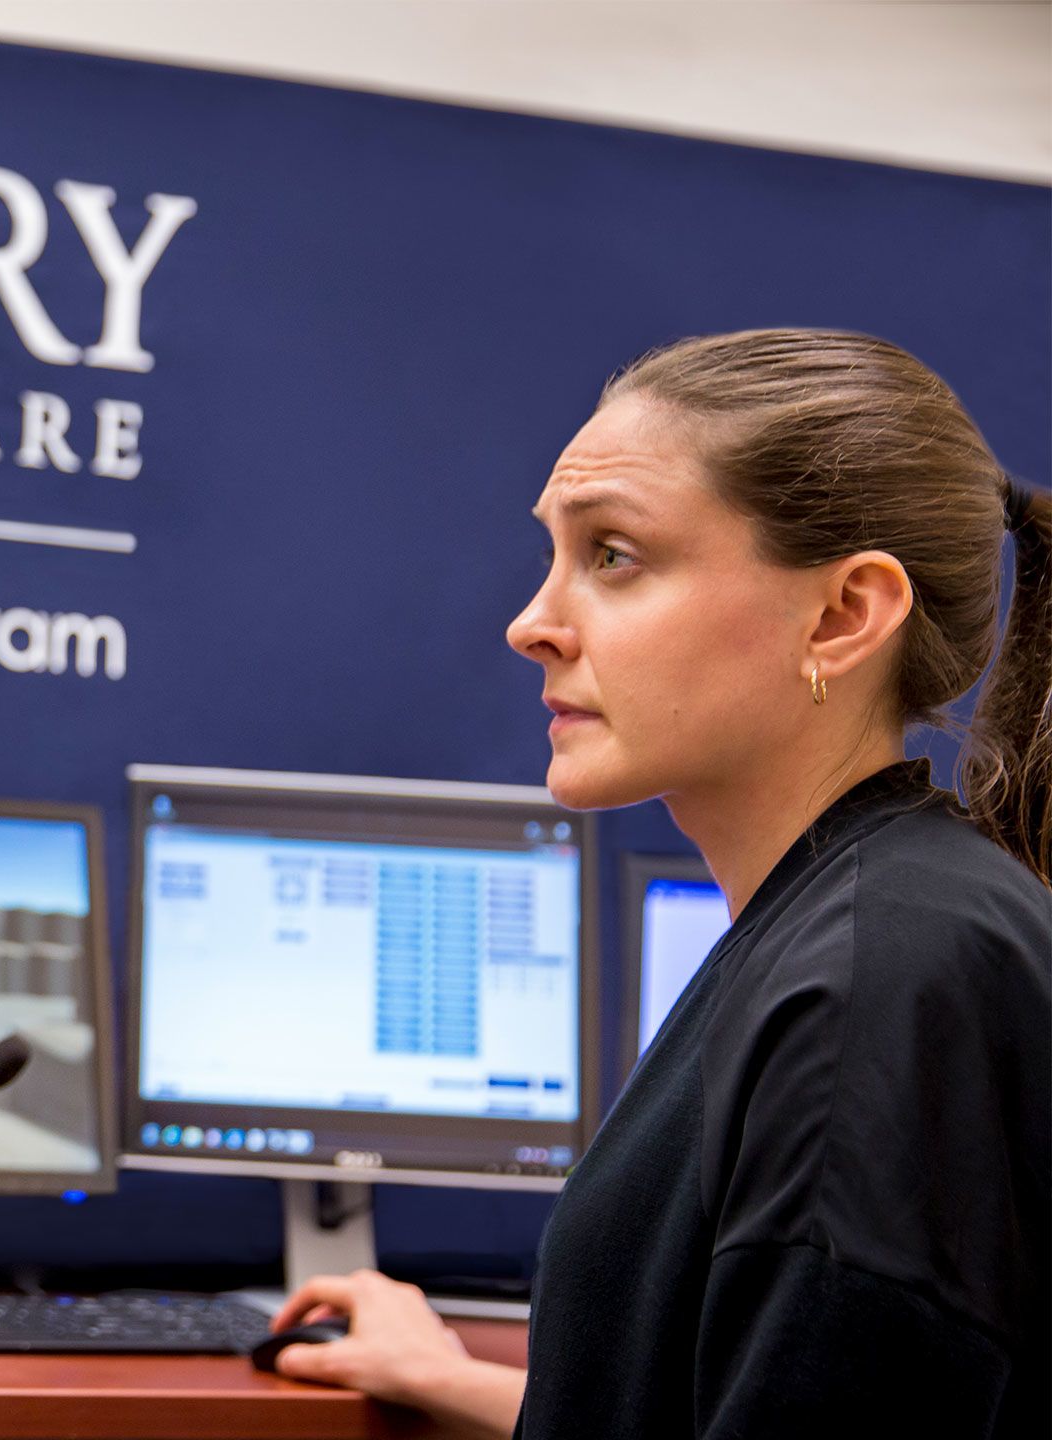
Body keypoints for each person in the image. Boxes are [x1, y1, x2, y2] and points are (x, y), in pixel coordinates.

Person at [267, 329, 1051, 1438]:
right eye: (553, 556)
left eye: (613, 557)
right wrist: (456, 1380)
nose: (532, 623)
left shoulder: (878, 986)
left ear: (843, 615)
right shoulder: (858, 920)